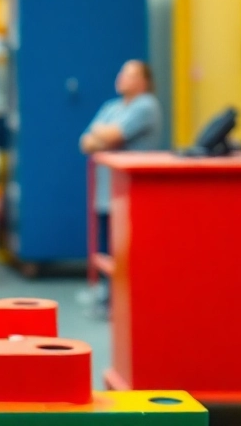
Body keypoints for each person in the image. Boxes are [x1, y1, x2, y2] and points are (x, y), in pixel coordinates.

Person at [78, 60, 162, 313]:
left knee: (128, 248)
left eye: (131, 74)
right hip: (107, 190)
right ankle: (107, 295)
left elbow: (113, 135)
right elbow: (85, 142)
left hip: (133, 192)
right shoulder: (112, 107)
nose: (123, 78)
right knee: (108, 245)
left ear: (144, 82)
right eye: (122, 73)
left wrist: (102, 135)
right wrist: (101, 135)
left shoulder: (146, 105)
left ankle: (126, 300)